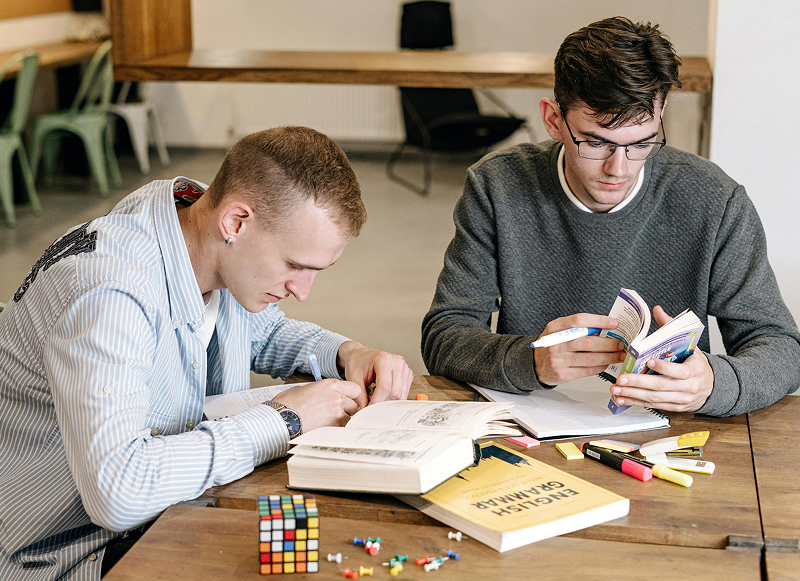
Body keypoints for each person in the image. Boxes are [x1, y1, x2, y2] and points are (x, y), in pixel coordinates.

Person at [0, 126, 413, 580]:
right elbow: (119, 493)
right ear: (235, 221)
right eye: (295, 266)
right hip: (67, 554)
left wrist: (346, 352)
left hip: (161, 515)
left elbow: (262, 330)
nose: (303, 292)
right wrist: (284, 421)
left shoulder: (195, 227)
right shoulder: (110, 294)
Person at [422, 17, 800, 417]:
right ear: (553, 119)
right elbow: (445, 336)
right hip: (528, 429)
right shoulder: (497, 186)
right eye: (596, 142)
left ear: (661, 113)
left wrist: (714, 383)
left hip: (668, 436)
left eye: (641, 143)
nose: (619, 168)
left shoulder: (715, 200)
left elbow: (781, 346)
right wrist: (530, 360)